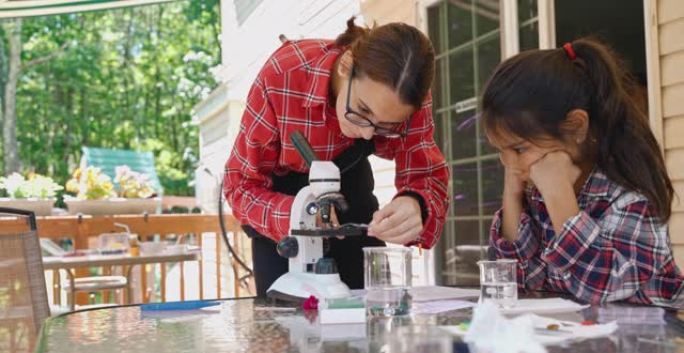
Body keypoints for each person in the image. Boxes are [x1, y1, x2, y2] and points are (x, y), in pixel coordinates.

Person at [223, 17, 449, 298]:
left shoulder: (407, 96)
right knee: (282, 331)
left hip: (353, 195)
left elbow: (427, 174)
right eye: (362, 111)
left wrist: (415, 203)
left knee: (367, 324)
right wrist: (298, 216)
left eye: (385, 126)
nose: (367, 135)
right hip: (281, 205)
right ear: (346, 65)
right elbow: (239, 186)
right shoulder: (283, 75)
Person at [483, 37, 683, 307]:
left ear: (576, 126)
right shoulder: (535, 193)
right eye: (501, 151)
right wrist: (512, 194)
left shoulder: (630, 197)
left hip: (646, 342)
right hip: (578, 341)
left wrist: (558, 195)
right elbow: (513, 281)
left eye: (518, 149)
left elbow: (598, 286)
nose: (510, 164)